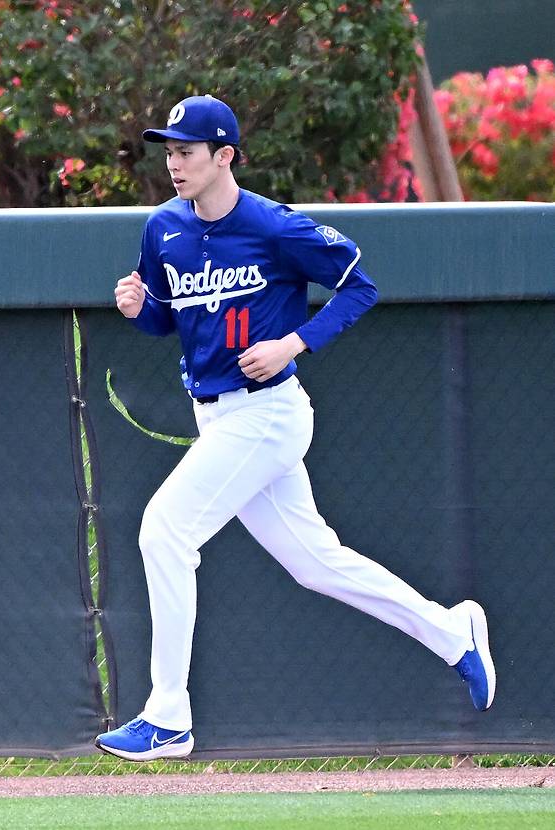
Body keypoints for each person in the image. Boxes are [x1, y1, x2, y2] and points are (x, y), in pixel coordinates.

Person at [95, 94, 495, 761]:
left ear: (225, 155)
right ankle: (453, 633)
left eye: (187, 152)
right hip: (216, 416)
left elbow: (360, 286)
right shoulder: (162, 227)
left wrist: (293, 343)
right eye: (169, 152)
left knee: (165, 529)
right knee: (316, 564)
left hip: (267, 414)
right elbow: (170, 319)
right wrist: (139, 309)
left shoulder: (273, 227)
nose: (174, 164)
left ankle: (168, 716)